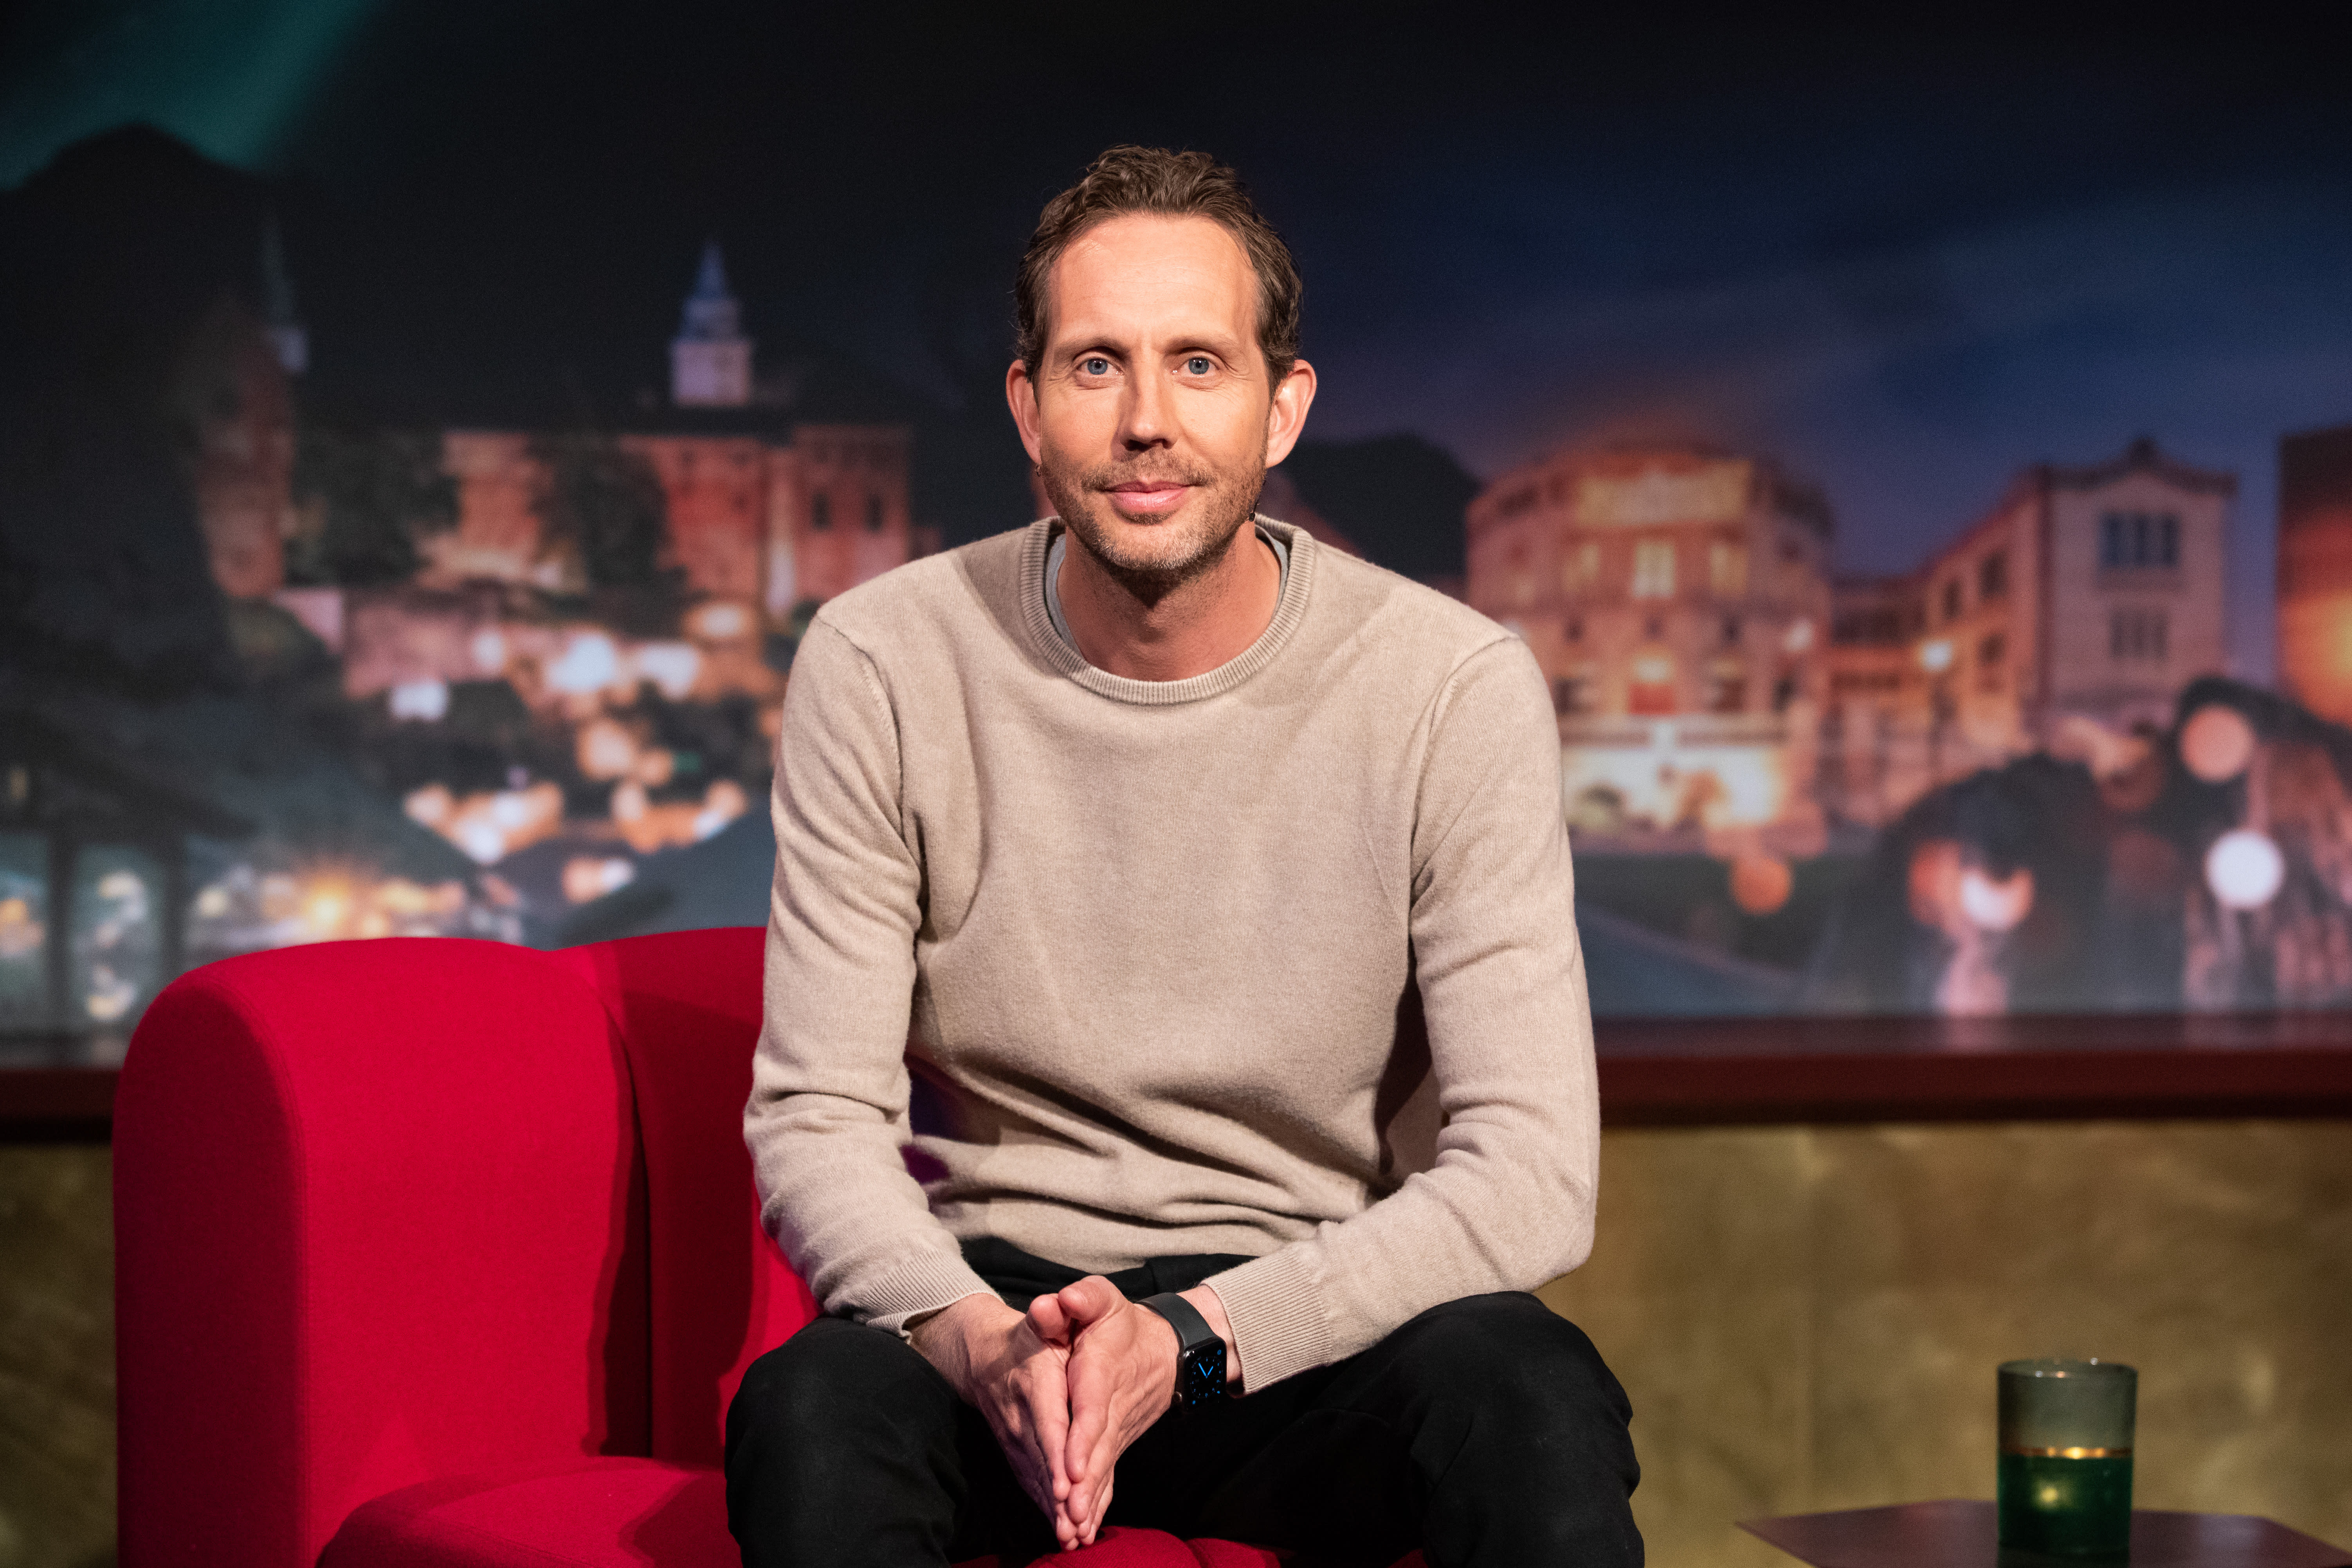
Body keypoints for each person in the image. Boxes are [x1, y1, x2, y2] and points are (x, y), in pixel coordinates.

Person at [728, 144, 1641, 1568]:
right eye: (1095, 366)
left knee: (1526, 1390)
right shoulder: (882, 659)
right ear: (1028, 409)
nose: (1146, 421)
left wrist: (1195, 1341)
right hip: (997, 1321)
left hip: (1299, 1330)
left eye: (1198, 365)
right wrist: (973, 1340)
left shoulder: (1450, 684)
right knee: (812, 1410)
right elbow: (816, 1117)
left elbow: (1529, 1176)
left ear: (1283, 408)